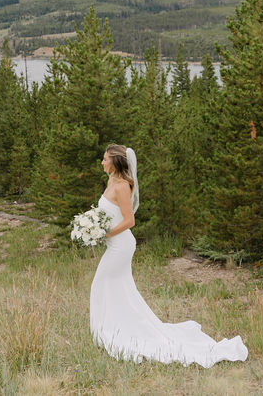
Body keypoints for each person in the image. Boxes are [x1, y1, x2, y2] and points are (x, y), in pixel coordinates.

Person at [89, 144, 249, 367]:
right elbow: (110, 214)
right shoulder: (110, 182)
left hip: (121, 246)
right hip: (112, 244)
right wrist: (93, 226)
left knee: (104, 283)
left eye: (105, 159)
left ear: (115, 162)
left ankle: (119, 331)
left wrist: (105, 233)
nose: (102, 162)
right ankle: (110, 329)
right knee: (115, 288)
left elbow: (129, 220)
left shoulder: (123, 186)